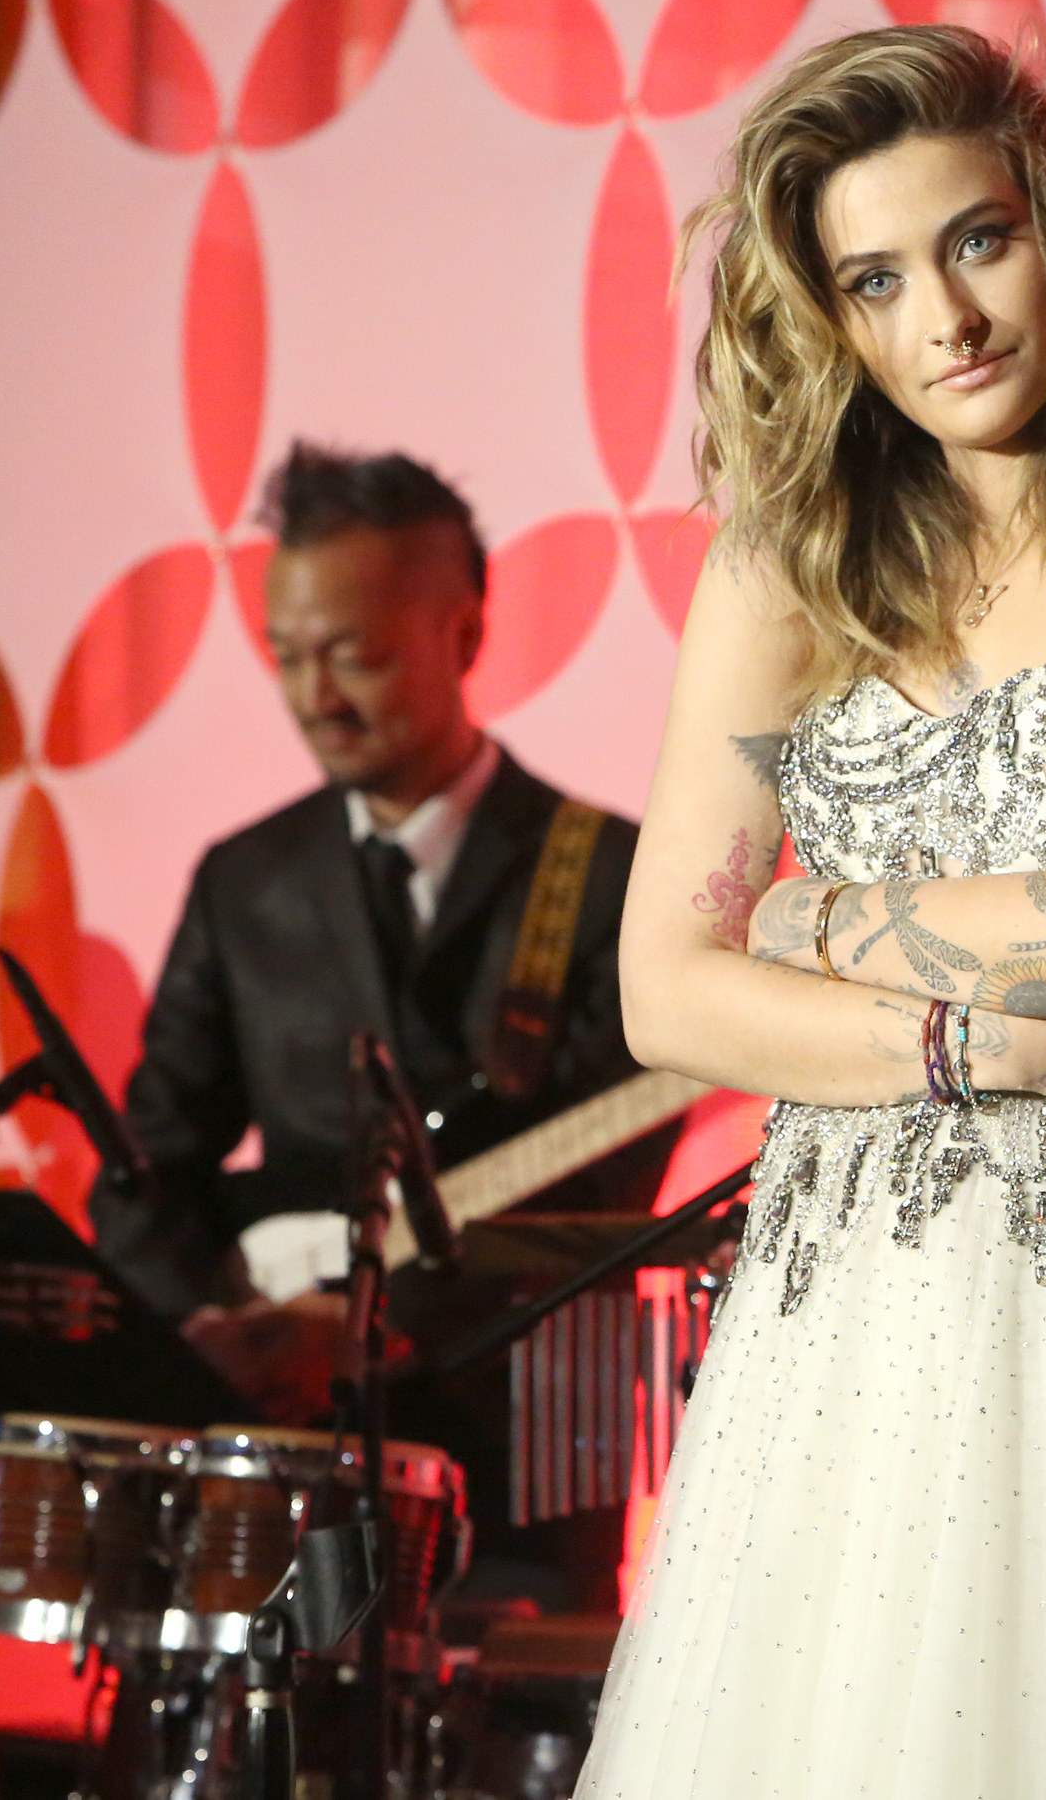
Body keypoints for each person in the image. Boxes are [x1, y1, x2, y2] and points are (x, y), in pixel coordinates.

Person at [576, 24, 1046, 1798]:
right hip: (838, 1326)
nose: (950, 316)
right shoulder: (783, 564)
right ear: (827, 318)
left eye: (978, 240)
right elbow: (660, 991)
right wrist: (956, 1034)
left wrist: (815, 918)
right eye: (877, 278)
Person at [91, 440, 666, 1606]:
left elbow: (606, 1194)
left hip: (535, 1443)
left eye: (352, 654)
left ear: (463, 634)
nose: (316, 695)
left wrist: (368, 1324)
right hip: (283, 1459)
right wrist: (212, 1329)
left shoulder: (613, 875)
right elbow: (145, 1168)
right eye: (288, 656)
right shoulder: (247, 879)